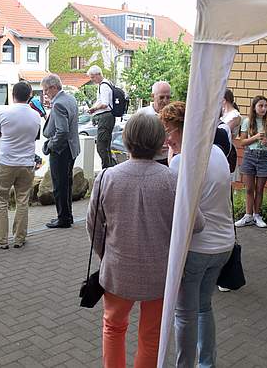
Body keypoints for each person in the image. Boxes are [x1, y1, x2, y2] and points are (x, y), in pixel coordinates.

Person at [86, 112, 176, 368]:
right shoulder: (172, 180)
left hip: (117, 270)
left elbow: (93, 228)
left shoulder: (106, 177)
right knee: (151, 336)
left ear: (126, 140)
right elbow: (196, 225)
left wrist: (107, 255)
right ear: (160, 142)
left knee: (113, 327)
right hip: (159, 273)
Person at [159, 102, 234, 367]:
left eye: (169, 130)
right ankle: (206, 363)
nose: (166, 137)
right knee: (204, 307)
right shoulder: (217, 151)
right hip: (223, 245)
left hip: (197, 249)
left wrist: (173, 158)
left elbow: (176, 203)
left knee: (185, 314)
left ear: (182, 129)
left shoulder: (181, 161)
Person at [0, 81, 41, 249]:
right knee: (23, 201)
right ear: (29, 95)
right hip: (27, 163)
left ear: (12, 94)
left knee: (1, 200)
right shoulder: (35, 115)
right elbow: (35, 136)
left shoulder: (5, 113)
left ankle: (1, 239)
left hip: (6, 163)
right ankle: (19, 238)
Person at [41, 74, 80, 229]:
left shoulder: (58, 104)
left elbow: (62, 132)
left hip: (61, 151)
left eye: (45, 90)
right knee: (67, 184)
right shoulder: (70, 99)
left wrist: (51, 145)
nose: (45, 94)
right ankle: (67, 216)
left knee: (60, 186)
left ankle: (63, 218)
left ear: (54, 87)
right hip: (72, 149)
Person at [235, 95, 267, 228]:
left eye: (266, 106)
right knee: (249, 189)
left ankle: (257, 215)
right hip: (250, 156)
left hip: (264, 156)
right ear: (254, 107)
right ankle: (247, 216)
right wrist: (254, 137)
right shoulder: (247, 121)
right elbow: (242, 142)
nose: (263, 108)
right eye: (260, 105)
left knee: (260, 189)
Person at [87, 65, 116, 169]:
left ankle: (107, 169)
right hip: (108, 117)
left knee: (101, 146)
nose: (92, 80)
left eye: (92, 77)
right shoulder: (107, 83)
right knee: (106, 146)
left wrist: (94, 109)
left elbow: (105, 104)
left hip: (105, 117)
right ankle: (110, 168)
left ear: (98, 74)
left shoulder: (103, 85)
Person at [138, 80, 172, 165]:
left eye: (168, 97)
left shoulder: (174, 114)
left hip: (169, 160)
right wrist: (153, 148)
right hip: (147, 161)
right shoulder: (142, 114)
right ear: (153, 96)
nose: (165, 101)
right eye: (161, 97)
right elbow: (134, 139)